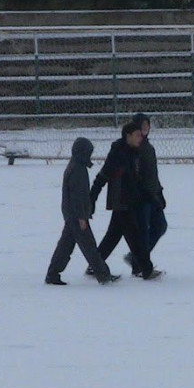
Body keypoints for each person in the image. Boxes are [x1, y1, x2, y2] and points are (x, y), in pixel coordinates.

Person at [89, 122, 161, 280]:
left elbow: (136, 180)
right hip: (121, 203)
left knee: (114, 236)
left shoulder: (135, 152)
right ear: (127, 136)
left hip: (130, 202)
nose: (140, 138)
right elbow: (102, 176)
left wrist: (151, 196)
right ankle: (146, 270)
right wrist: (92, 198)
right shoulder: (118, 153)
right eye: (137, 135)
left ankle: (94, 266)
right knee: (135, 238)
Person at [44, 137, 119, 286]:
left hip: (71, 215)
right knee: (89, 247)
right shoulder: (78, 170)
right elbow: (78, 196)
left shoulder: (75, 166)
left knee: (65, 247)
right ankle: (103, 275)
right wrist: (82, 217)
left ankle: (52, 274)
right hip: (76, 216)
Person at [129, 112, 168, 263]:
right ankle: (139, 264)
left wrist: (159, 193)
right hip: (142, 197)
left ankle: (137, 258)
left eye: (147, 125)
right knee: (142, 231)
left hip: (153, 195)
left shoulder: (148, 148)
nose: (145, 128)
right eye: (142, 125)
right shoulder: (134, 149)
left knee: (160, 226)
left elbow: (153, 175)